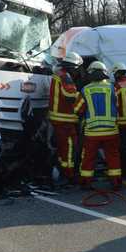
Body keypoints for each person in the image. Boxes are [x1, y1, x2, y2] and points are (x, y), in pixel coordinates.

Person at [74, 61, 122, 190]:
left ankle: (85, 183)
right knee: (113, 156)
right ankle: (116, 182)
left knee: (88, 157)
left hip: (92, 132)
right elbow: (118, 106)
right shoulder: (112, 88)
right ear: (104, 73)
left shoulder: (85, 90)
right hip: (111, 130)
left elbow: (78, 109)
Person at [48, 51, 83, 185]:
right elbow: (69, 96)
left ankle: (64, 173)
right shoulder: (65, 76)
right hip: (65, 120)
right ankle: (68, 175)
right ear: (73, 67)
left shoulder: (58, 75)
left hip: (60, 119)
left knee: (64, 148)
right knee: (68, 148)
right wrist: (82, 94)